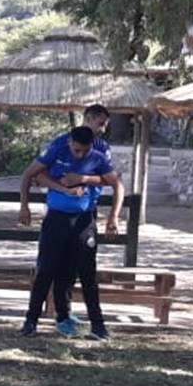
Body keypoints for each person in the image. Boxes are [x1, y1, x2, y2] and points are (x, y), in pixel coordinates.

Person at [19, 125, 123, 340]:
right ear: (70, 143)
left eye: (84, 151)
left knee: (87, 274)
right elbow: (31, 175)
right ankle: (30, 322)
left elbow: (117, 184)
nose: (80, 154)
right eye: (76, 150)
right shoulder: (56, 151)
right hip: (56, 219)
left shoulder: (97, 158)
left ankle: (98, 327)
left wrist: (113, 216)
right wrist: (25, 206)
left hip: (84, 222)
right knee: (46, 271)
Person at [18, 104, 111, 226]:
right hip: (56, 212)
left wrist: (83, 179)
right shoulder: (59, 144)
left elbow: (109, 180)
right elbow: (34, 174)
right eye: (101, 124)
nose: (103, 130)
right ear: (88, 119)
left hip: (86, 212)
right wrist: (24, 206)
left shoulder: (102, 148)